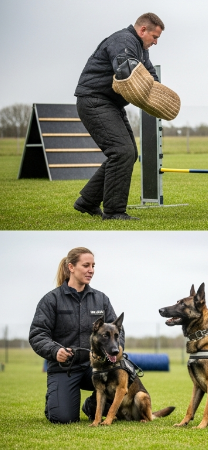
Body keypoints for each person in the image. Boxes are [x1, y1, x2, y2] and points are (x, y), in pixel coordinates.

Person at [73, 13, 165, 220]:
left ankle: (87, 201)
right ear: (143, 30)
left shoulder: (141, 50)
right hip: (94, 100)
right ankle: (114, 211)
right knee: (121, 151)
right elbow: (125, 71)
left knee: (128, 153)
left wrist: (162, 96)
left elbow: (151, 77)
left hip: (111, 104)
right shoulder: (123, 41)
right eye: (155, 37)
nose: (156, 42)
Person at [29, 247, 123, 423]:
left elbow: (118, 331)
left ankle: (91, 406)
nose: (91, 270)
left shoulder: (101, 299)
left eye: (93, 266)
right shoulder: (51, 300)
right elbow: (37, 334)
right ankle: (56, 398)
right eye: (86, 265)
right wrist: (55, 351)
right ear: (71, 267)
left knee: (125, 376)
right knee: (63, 418)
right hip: (64, 368)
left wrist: (117, 349)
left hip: (94, 367)